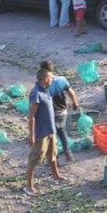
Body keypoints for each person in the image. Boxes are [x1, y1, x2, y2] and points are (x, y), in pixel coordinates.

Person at [25, 68, 64, 196]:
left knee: (52, 154)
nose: (52, 80)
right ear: (45, 79)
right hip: (41, 133)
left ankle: (55, 174)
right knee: (35, 159)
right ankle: (29, 186)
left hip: (50, 130)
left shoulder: (46, 91)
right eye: (51, 78)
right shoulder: (36, 94)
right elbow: (31, 116)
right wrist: (32, 135)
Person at [39, 61, 80, 162]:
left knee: (51, 136)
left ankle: (54, 158)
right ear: (53, 69)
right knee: (61, 131)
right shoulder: (62, 80)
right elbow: (71, 92)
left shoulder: (44, 85)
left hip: (50, 114)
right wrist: (75, 102)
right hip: (62, 112)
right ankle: (68, 152)